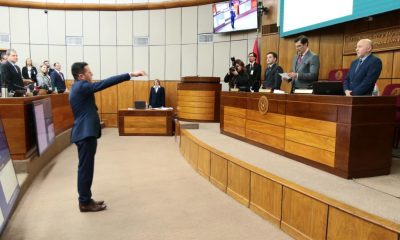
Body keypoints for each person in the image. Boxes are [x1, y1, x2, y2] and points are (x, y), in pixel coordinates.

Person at [69, 62, 146, 212]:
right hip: (85, 134)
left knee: (86, 169)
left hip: (85, 133)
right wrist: (130, 74)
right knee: (85, 170)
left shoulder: (78, 87)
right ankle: (84, 202)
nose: (92, 75)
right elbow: (104, 83)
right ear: (81, 76)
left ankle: (86, 199)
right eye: (89, 73)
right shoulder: (81, 86)